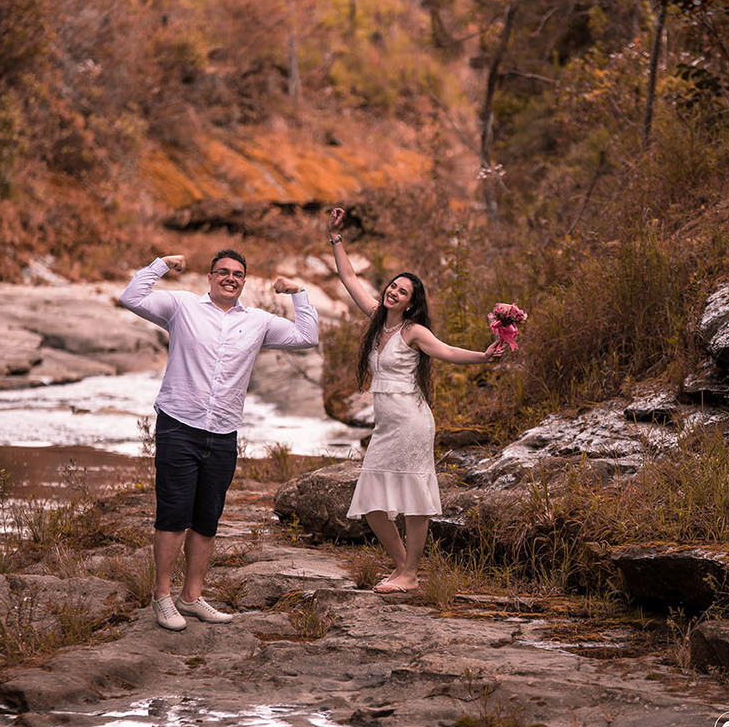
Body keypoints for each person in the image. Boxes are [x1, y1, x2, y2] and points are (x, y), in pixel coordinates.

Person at [120, 249, 318, 630]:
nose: (230, 278)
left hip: (223, 432)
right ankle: (161, 596)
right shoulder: (181, 307)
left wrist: (298, 292)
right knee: (174, 515)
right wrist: (162, 264)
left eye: (238, 274)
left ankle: (191, 597)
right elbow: (131, 297)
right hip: (179, 424)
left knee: (207, 521)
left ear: (244, 281)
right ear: (210, 278)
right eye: (223, 272)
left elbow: (307, 335)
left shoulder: (259, 322)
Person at [327, 208, 505, 594]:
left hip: (411, 420)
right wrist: (335, 237)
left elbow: (447, 352)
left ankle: (409, 573)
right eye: (392, 286)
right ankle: (402, 567)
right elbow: (349, 278)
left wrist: (484, 356)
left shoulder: (413, 330)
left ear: (410, 303)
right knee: (373, 502)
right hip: (386, 425)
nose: (393, 292)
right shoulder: (377, 318)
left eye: (402, 292)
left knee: (413, 497)